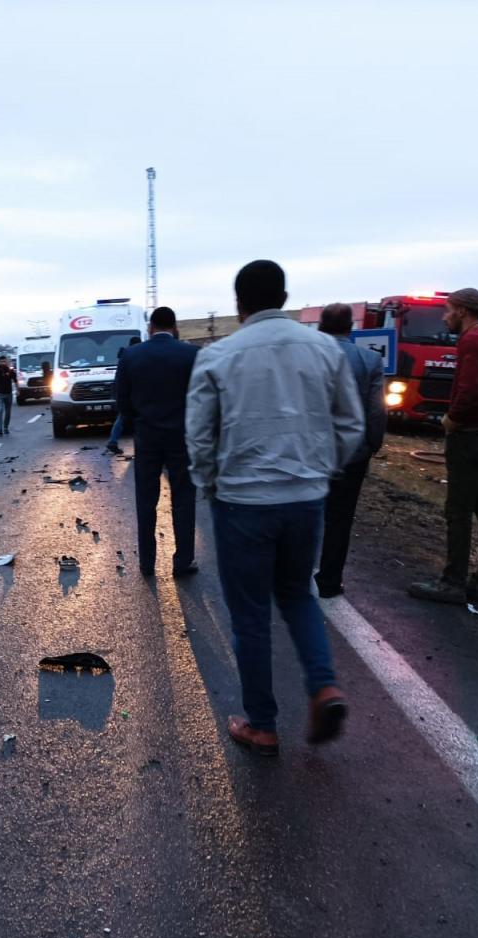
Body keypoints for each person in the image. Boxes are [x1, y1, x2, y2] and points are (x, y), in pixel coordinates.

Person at [186, 260, 364, 756]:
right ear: (284, 297)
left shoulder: (218, 356)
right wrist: (322, 471)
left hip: (243, 502)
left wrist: (210, 483)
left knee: (249, 615)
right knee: (298, 595)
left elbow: (199, 435)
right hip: (305, 500)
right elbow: (351, 426)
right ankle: (323, 685)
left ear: (239, 302)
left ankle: (262, 724)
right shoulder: (326, 349)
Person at [409, 288, 478, 605]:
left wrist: (451, 421)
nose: (444, 316)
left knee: (458, 512)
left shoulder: (471, 341)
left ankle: (452, 582)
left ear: (463, 312)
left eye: (448, 310)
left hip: (468, 438)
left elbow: (468, 392)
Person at [115, 311, 198, 577]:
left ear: (150, 327)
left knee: (146, 500)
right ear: (174, 327)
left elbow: (121, 398)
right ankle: (183, 561)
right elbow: (202, 397)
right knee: (184, 499)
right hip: (182, 437)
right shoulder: (191, 354)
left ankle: (147, 563)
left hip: (147, 438)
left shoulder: (131, 356)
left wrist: (134, 425)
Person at [315, 303, 386, 598]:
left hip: (308, 452)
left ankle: (287, 575)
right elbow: (376, 409)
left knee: (300, 511)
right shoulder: (369, 360)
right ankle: (330, 581)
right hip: (352, 453)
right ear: (350, 327)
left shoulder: (305, 357)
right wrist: (372, 443)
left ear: (321, 326)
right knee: (340, 519)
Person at [105, 336, 142, 455]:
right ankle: (139, 446)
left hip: (122, 392)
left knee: (122, 418)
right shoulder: (134, 356)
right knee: (137, 418)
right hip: (132, 392)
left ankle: (113, 442)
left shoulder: (124, 356)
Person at [0, 355, 16, 435]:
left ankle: (5, 427)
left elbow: (15, 380)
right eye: (1, 361)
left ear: (7, 362)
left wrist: (18, 390)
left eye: (4, 361)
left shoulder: (10, 371)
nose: (3, 363)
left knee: (8, 412)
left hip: (8, 394)